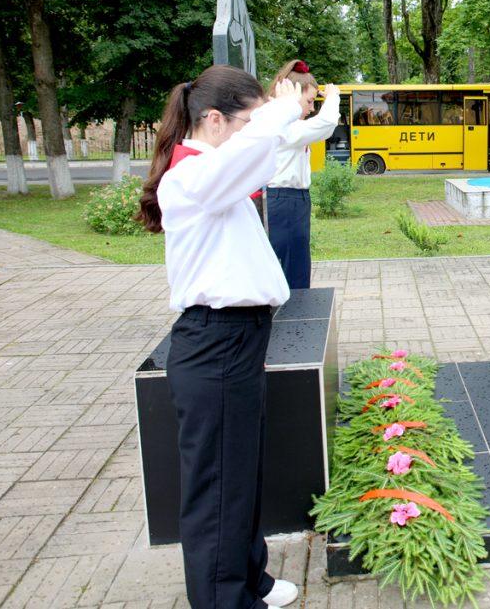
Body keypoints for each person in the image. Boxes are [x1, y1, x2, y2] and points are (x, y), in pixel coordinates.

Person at [136, 65, 306, 608]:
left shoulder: (211, 170)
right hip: (216, 341)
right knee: (218, 488)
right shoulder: (189, 177)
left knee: (240, 474)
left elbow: (257, 153)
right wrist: (277, 111)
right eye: (247, 119)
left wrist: (279, 116)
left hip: (235, 340)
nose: (254, 130)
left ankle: (247, 578)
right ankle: (222, 600)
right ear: (213, 120)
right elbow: (251, 151)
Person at [265, 60, 341, 289]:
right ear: (292, 95)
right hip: (284, 200)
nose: (311, 109)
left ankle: (291, 313)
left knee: (296, 265)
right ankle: (290, 317)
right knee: (292, 271)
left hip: (290, 200)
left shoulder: (288, 125)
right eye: (309, 101)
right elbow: (327, 124)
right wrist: (333, 96)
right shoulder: (284, 126)